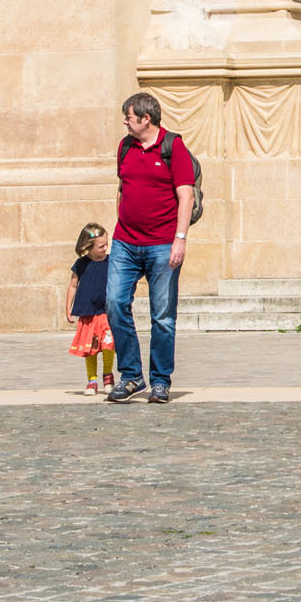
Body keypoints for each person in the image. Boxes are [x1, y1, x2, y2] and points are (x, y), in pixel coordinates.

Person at [107, 93, 196, 404]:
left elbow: (186, 197)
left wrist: (180, 239)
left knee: (162, 316)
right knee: (115, 304)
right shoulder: (125, 146)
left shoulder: (174, 148)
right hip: (126, 243)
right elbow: (122, 188)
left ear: (146, 119)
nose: (125, 121)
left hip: (162, 245)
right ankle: (131, 377)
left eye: (129, 117)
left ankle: (160, 381)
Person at [68, 223, 113, 395]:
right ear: (88, 247)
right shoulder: (81, 264)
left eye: (106, 244)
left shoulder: (111, 261)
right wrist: (68, 308)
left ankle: (108, 377)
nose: (105, 248)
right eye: (101, 246)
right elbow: (73, 286)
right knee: (91, 348)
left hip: (106, 311)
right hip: (88, 312)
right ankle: (92, 380)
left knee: (109, 345)